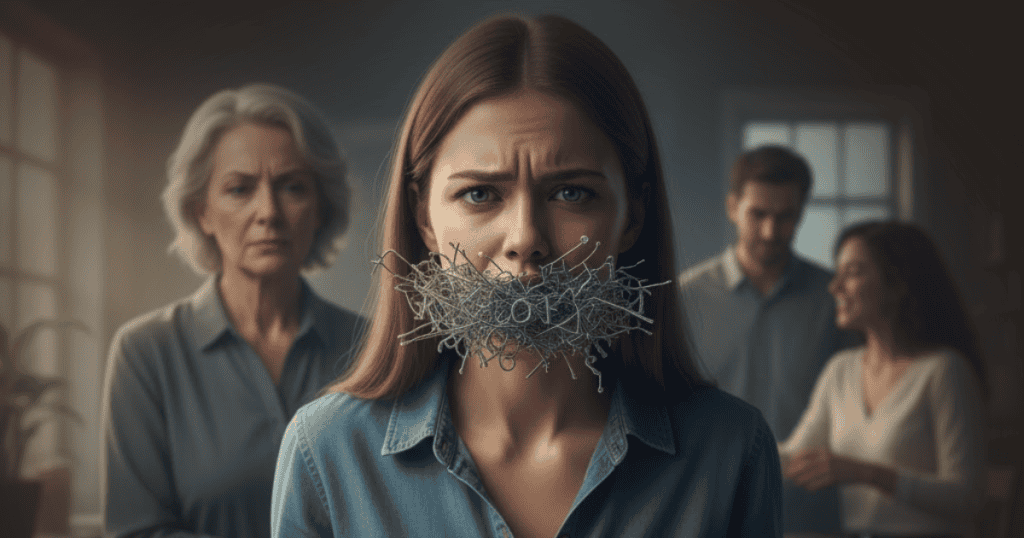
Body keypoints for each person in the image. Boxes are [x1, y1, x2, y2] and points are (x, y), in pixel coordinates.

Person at [271, 14, 782, 538]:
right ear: (423, 217)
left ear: (632, 215)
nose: (525, 238)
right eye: (480, 194)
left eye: (572, 193)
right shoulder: (327, 453)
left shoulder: (731, 452)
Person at [102, 83, 365, 538]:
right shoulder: (145, 353)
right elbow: (137, 532)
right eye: (240, 189)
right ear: (201, 211)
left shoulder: (370, 347)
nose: (268, 212)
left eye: (293, 187)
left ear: (320, 207)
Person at [678, 144, 857, 532]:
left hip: (811, 514)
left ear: (802, 213)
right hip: (715, 509)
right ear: (732, 207)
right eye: (758, 214)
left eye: (786, 216)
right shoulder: (685, 300)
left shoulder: (836, 300)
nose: (771, 231)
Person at [780, 220, 988, 537]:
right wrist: (731, 450)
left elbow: (966, 497)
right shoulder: (841, 370)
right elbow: (796, 455)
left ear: (897, 283)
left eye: (853, 272)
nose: (835, 287)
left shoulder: (944, 370)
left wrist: (865, 473)